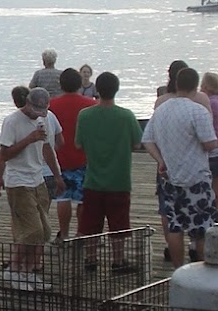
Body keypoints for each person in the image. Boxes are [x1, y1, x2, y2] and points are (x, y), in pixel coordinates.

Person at [142, 68, 218, 268]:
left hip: (170, 178)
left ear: (176, 85)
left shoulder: (162, 110)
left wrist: (161, 160)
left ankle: (178, 269)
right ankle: (202, 270)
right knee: (201, 228)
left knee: (175, 227)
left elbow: (147, 140)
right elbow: (210, 143)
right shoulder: (197, 111)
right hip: (196, 178)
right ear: (195, 87)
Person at [75, 71, 143, 273]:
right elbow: (138, 144)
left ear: (97, 90)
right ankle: (118, 260)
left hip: (93, 179)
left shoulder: (85, 115)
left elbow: (78, 145)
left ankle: (91, 259)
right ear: (117, 89)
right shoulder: (126, 115)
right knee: (119, 223)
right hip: (119, 179)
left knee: (90, 222)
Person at [0, 87, 63, 290]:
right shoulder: (12, 121)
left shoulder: (43, 120)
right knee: (31, 230)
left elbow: (47, 149)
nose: (39, 115)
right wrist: (30, 139)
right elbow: (5, 153)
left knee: (44, 231)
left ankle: (27, 272)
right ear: (27, 103)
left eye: (42, 111)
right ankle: (14, 270)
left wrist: (58, 175)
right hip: (18, 181)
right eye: (36, 110)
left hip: (38, 180)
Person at [48, 68, 94, 244]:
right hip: (84, 158)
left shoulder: (51, 106)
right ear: (79, 83)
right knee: (83, 200)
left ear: (61, 84)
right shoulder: (90, 104)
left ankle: (64, 234)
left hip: (60, 158)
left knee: (63, 198)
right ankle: (81, 233)